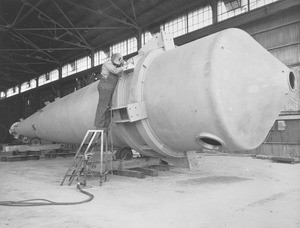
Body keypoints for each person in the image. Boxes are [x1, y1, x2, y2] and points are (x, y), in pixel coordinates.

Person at [94, 53, 127, 130]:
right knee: (103, 106)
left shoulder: (118, 64)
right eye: (115, 64)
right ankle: (99, 126)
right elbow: (115, 71)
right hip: (105, 86)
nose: (116, 65)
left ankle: (106, 125)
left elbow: (122, 68)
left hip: (111, 87)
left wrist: (125, 64)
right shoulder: (107, 64)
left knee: (110, 107)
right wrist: (124, 67)